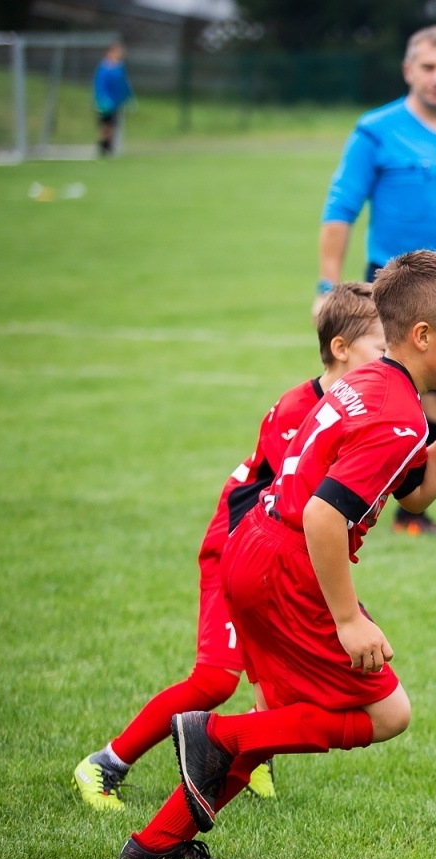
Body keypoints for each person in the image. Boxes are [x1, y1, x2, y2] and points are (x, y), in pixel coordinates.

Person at [118, 252, 436, 859]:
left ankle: (157, 843)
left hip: (254, 548)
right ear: (425, 335)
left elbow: (415, 493)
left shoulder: (371, 382)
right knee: (386, 713)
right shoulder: (397, 417)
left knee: (292, 718)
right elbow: (326, 516)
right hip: (292, 565)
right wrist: (349, 620)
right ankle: (216, 736)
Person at [73, 284, 387, 812]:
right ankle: (105, 762)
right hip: (238, 549)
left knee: (290, 677)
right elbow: (283, 509)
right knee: (215, 680)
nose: (391, 360)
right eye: (383, 348)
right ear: (340, 348)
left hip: (273, 559)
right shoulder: (298, 410)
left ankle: (251, 756)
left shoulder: (350, 406)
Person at [318, 24, 436, 538]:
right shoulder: (376, 130)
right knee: (366, 394)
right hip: (390, 288)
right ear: (408, 70)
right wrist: (326, 288)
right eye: (428, 66)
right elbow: (341, 208)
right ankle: (321, 499)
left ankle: (410, 514)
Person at [92, 42, 133, 158]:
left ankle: (109, 146)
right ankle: (103, 145)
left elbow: (124, 84)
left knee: (114, 124)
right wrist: (101, 99)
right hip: (105, 102)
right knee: (105, 124)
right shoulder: (104, 67)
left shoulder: (120, 67)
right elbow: (99, 85)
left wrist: (129, 96)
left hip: (116, 102)